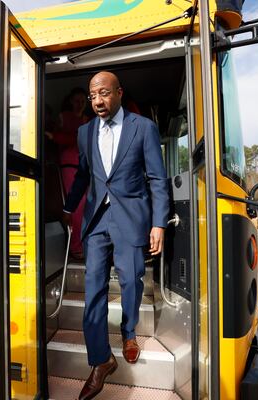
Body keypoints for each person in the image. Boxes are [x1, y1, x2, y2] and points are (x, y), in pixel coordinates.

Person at [62, 71, 169, 400]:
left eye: (104, 94)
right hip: (96, 220)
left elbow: (157, 179)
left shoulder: (143, 128)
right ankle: (101, 360)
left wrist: (159, 223)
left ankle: (128, 332)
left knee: (131, 280)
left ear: (119, 93)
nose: (97, 101)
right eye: (93, 96)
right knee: (93, 288)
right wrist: (68, 208)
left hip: (131, 219)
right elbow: (84, 173)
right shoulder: (84, 132)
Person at [47, 88, 89, 260]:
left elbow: (75, 139)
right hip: (68, 166)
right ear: (70, 101)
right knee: (75, 208)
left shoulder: (87, 120)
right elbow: (55, 138)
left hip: (86, 167)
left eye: (82, 100)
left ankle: (83, 244)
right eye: (76, 100)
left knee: (86, 207)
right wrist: (55, 137)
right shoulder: (63, 117)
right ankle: (75, 246)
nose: (80, 103)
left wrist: (58, 137)